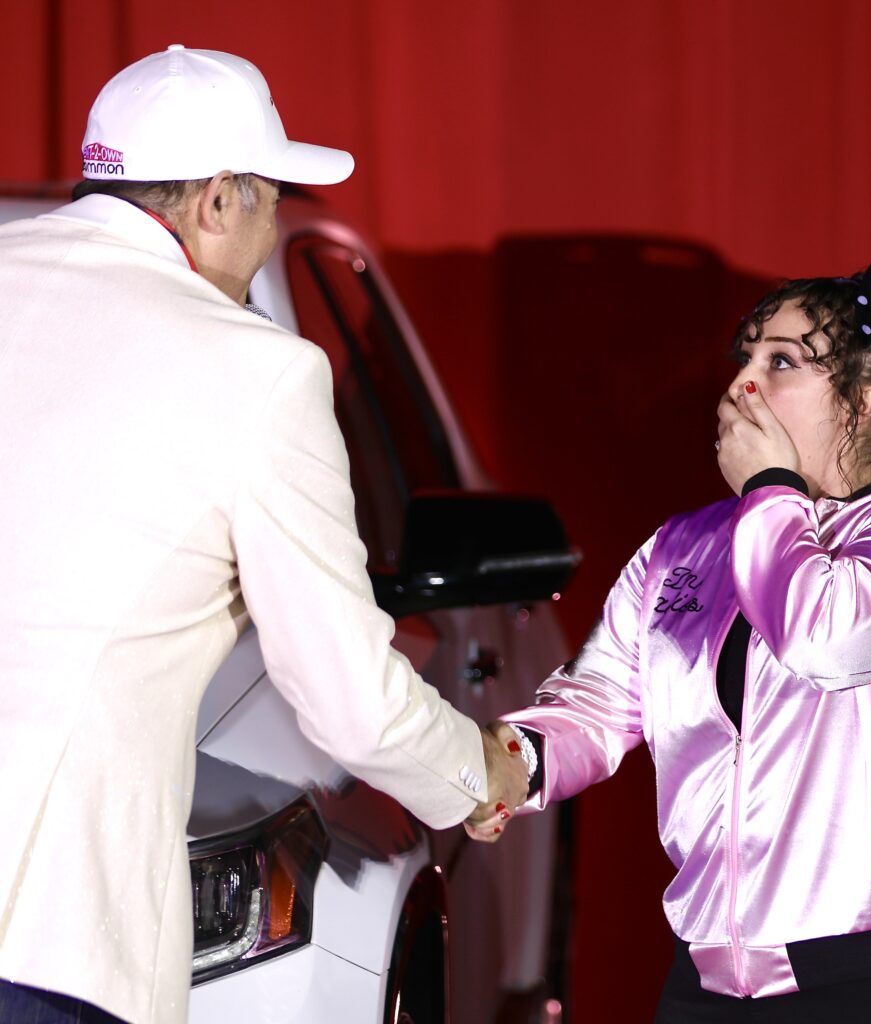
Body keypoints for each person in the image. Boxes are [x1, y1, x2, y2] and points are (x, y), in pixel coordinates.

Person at [0, 46, 522, 1024]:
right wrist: (472, 772)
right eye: (272, 199)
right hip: (43, 937)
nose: (274, 227)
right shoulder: (258, 373)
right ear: (218, 200)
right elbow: (344, 696)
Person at [470, 257, 871, 1022]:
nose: (740, 384)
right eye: (745, 357)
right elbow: (597, 702)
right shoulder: (682, 547)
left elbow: (820, 634)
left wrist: (769, 491)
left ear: (860, 401)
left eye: (781, 361)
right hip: (713, 980)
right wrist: (516, 759)